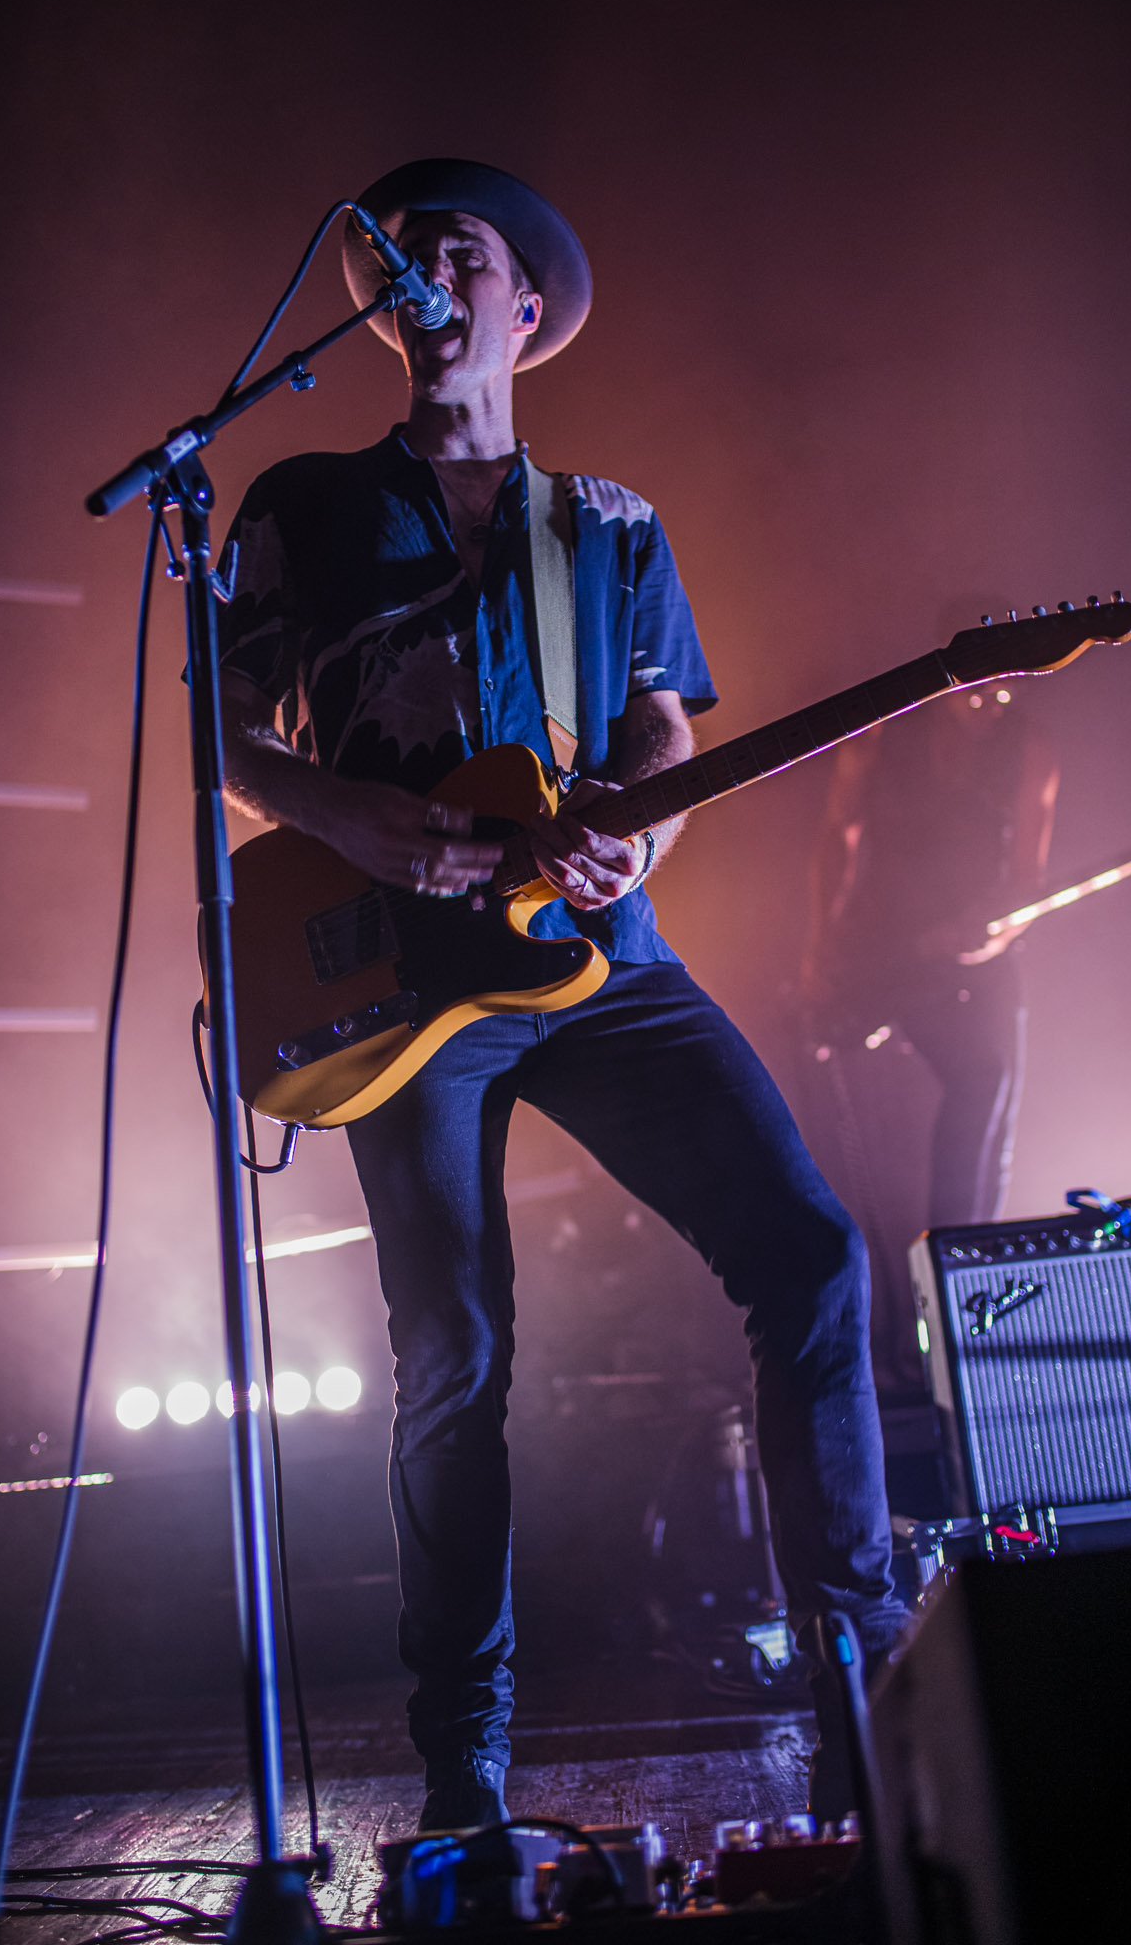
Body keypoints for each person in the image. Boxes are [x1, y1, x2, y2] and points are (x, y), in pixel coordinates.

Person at [216, 158, 906, 1832]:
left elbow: (664, 725)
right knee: (454, 1352)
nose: (428, 270)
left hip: (604, 967)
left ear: (525, 309)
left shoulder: (609, 522)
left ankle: (867, 1682)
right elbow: (216, 732)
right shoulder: (299, 501)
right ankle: (463, 1758)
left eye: (463, 251)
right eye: (408, 254)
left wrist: (641, 831)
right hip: (398, 977)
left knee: (811, 1253)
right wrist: (341, 813)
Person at [798, 684, 1060, 1393]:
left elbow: (1028, 880)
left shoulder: (1028, 748)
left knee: (991, 1086)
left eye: (1009, 688)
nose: (994, 704)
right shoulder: (882, 737)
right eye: (982, 689)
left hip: (976, 958)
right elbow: (838, 837)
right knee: (952, 1091)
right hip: (884, 951)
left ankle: (959, 1283)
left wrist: (991, 931)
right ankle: (895, 1323)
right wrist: (821, 948)